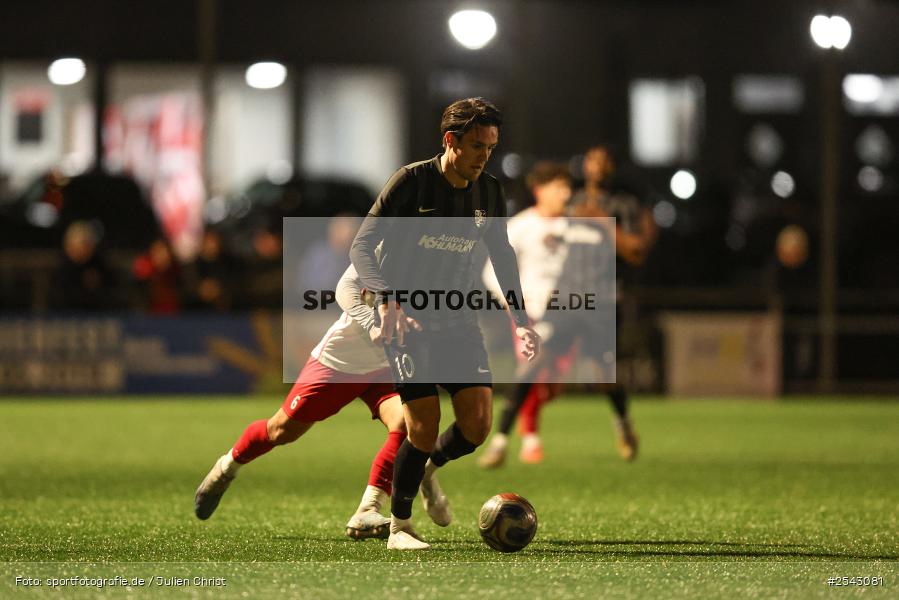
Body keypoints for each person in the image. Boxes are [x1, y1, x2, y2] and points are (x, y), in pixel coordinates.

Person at [350, 97, 539, 550]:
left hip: (458, 319)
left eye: (491, 148)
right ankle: (399, 527)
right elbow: (361, 247)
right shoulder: (411, 182)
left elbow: (503, 255)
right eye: (477, 146)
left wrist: (521, 318)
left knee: (476, 426)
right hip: (407, 322)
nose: (484, 156)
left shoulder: (489, 192)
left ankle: (426, 468)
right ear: (450, 140)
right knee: (423, 425)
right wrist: (387, 300)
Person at [193, 265, 447, 540]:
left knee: (409, 424)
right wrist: (374, 316)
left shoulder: (446, 254)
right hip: (342, 360)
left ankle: (367, 509)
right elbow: (346, 288)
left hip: (388, 361)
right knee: (281, 429)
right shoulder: (386, 242)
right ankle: (226, 468)